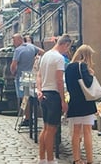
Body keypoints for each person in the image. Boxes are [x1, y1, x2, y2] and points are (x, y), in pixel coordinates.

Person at [36, 34, 72, 164]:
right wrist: (63, 100)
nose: (67, 51)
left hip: (45, 93)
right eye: (68, 48)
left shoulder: (46, 55)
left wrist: (39, 89)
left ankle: (41, 158)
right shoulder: (59, 58)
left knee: (45, 128)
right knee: (51, 130)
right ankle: (50, 159)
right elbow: (59, 80)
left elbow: (39, 75)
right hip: (54, 95)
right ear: (65, 44)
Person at [65, 45, 99, 164]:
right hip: (86, 103)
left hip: (74, 103)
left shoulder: (68, 67)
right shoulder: (83, 66)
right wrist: (91, 74)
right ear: (86, 56)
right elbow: (88, 83)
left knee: (75, 132)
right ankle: (90, 159)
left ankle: (77, 159)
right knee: (87, 132)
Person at [10, 33, 38, 126]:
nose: (13, 42)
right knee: (29, 97)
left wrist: (13, 73)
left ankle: (28, 118)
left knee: (24, 98)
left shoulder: (18, 50)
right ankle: (30, 116)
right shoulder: (31, 46)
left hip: (22, 75)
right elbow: (42, 52)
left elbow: (14, 65)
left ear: (19, 40)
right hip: (30, 74)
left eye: (14, 40)